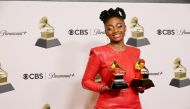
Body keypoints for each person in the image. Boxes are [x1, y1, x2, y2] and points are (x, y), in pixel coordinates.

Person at [82, 7, 145, 109]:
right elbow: (86, 81)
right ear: (106, 31)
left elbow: (136, 79)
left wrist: (141, 86)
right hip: (107, 106)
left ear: (125, 27)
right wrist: (103, 87)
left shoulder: (135, 52)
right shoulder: (98, 53)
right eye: (110, 28)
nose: (115, 31)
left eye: (119, 26)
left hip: (134, 106)